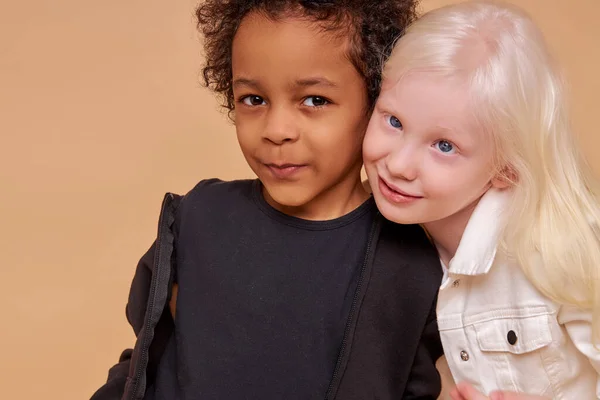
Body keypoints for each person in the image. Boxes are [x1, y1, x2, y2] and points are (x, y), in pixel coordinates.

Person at [91, 1, 444, 399]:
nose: (277, 131)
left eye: (314, 100)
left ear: (377, 102)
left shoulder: (410, 263)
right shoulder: (198, 220)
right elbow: (145, 361)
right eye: (254, 99)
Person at [363, 1, 600, 399]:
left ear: (506, 168)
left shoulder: (562, 247)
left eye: (444, 145)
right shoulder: (374, 239)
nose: (400, 164)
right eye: (394, 121)